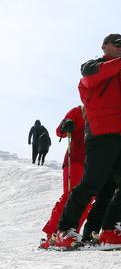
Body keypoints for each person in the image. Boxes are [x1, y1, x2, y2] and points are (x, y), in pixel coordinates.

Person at [54, 34, 121, 248]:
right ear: (104, 46)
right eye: (117, 43)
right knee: (92, 183)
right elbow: (90, 78)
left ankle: (112, 229)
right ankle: (64, 230)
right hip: (102, 133)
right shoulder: (92, 67)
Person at [40, 106, 93, 248]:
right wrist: (66, 125)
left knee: (87, 200)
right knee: (70, 196)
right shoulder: (78, 111)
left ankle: (71, 232)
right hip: (75, 160)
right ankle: (52, 234)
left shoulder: (102, 113)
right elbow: (60, 131)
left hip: (93, 162)